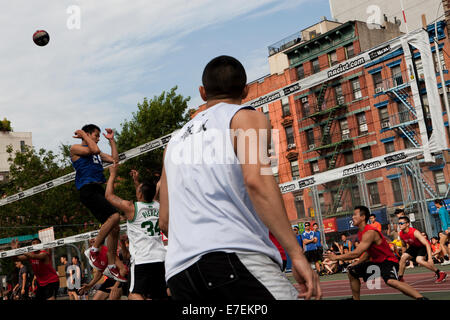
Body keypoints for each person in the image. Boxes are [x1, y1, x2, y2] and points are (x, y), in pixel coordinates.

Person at [159, 55, 321, 300]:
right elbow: (258, 181)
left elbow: (165, 220)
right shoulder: (247, 117)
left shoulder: (173, 143)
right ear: (245, 90)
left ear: (202, 93)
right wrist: (296, 253)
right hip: (232, 257)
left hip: (180, 274)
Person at [324, 206, 428, 300]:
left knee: (391, 281)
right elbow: (368, 252)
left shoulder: (370, 232)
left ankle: (421, 298)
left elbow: (356, 253)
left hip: (388, 261)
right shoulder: (361, 232)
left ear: (363, 217)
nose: (352, 217)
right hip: (376, 263)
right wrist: (358, 262)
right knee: (352, 271)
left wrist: (336, 257)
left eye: (355, 215)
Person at [70, 124, 125, 282]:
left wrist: (112, 141)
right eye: (96, 135)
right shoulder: (75, 148)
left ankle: (112, 265)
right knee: (115, 216)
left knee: (115, 228)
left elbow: (114, 160)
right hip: (87, 190)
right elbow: (92, 150)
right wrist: (82, 135)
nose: (98, 138)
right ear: (87, 134)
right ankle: (93, 250)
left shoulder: (97, 153)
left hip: (97, 189)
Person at [105, 165, 167, 300]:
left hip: (142, 259)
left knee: (134, 295)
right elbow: (145, 198)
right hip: (161, 258)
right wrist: (137, 183)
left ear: (140, 194)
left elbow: (109, 195)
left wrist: (112, 175)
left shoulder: (131, 208)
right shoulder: (158, 205)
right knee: (159, 295)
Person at [397, 216, 447, 284]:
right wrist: (404, 256)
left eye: (401, 223)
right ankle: (400, 278)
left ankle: (440, 273)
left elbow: (427, 244)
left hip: (423, 246)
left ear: (407, 224)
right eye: (399, 223)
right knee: (403, 257)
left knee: (419, 260)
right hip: (413, 247)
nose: (399, 225)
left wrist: (430, 258)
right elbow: (403, 245)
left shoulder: (415, 232)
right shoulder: (400, 234)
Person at [434, 199, 450, 266]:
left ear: (437, 203)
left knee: (441, 243)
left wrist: (446, 228)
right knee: (447, 244)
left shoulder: (441, 210)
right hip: (449, 227)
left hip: (447, 228)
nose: (435, 205)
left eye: (435, 203)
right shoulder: (444, 209)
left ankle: (447, 259)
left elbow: (443, 219)